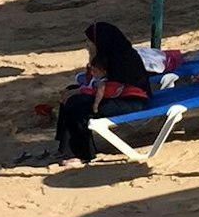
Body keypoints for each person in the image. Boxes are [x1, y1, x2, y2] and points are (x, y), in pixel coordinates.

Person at [50, 22, 150, 170]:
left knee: (78, 103)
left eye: (90, 42)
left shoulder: (123, 59)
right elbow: (95, 81)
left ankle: (82, 154)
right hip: (114, 96)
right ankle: (66, 148)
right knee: (71, 92)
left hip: (131, 102)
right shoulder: (106, 54)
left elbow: (110, 88)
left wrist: (79, 92)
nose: (87, 45)